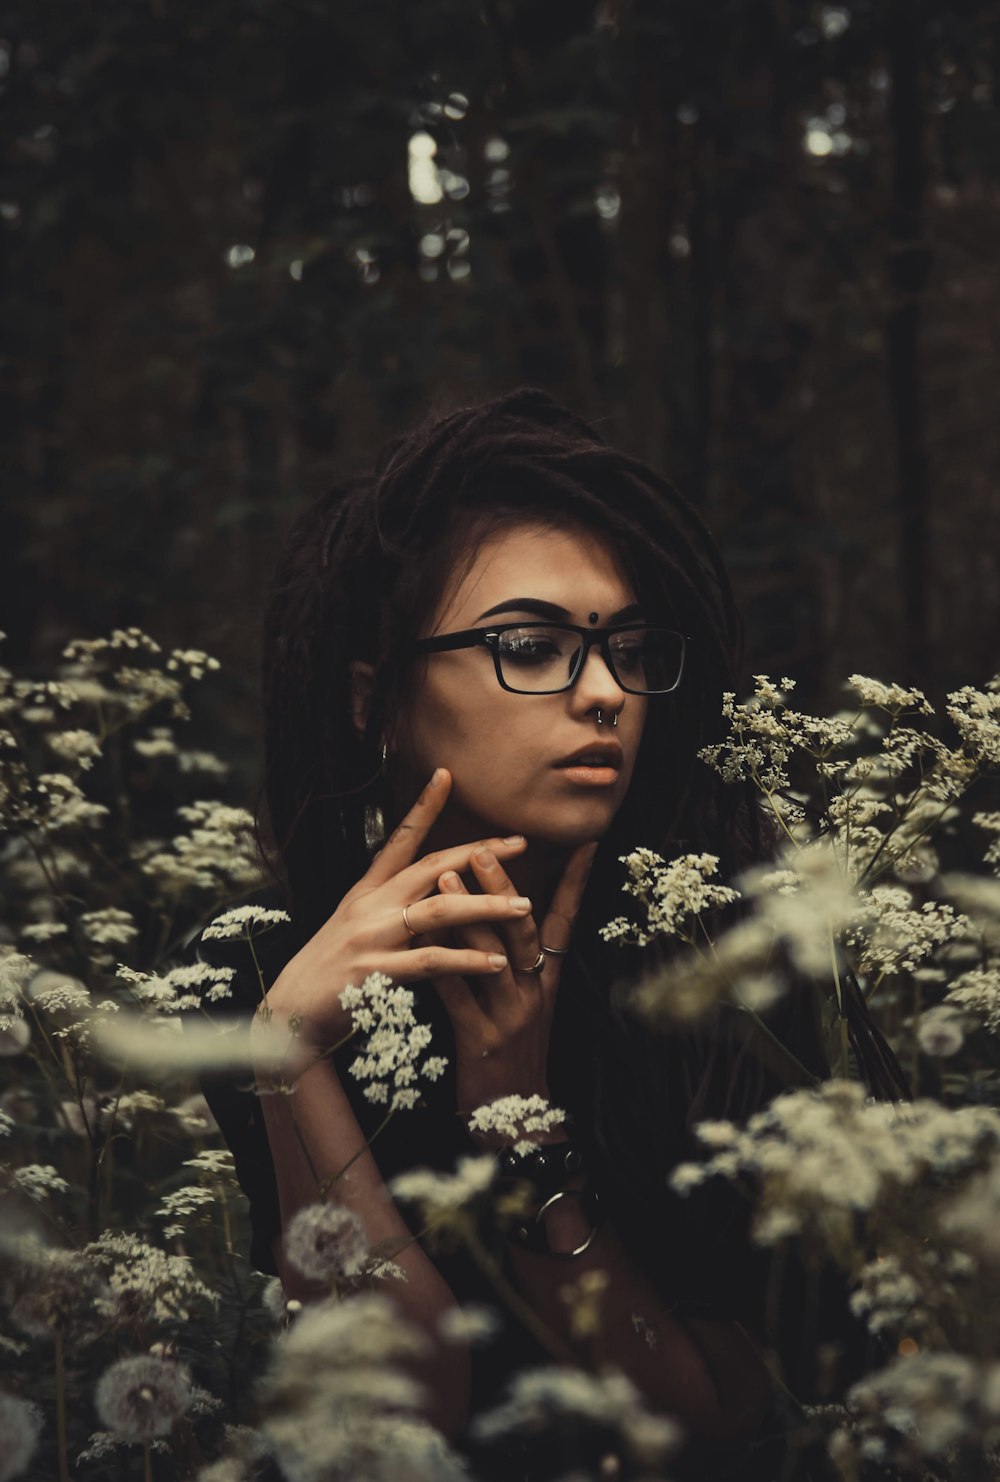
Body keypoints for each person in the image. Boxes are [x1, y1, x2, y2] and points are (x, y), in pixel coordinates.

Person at [196, 388, 893, 1481]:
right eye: (530, 644)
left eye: (624, 646)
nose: (606, 693)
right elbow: (395, 1426)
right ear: (374, 701)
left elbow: (724, 1424)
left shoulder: (727, 962)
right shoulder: (249, 974)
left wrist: (522, 1144)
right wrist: (289, 1056)